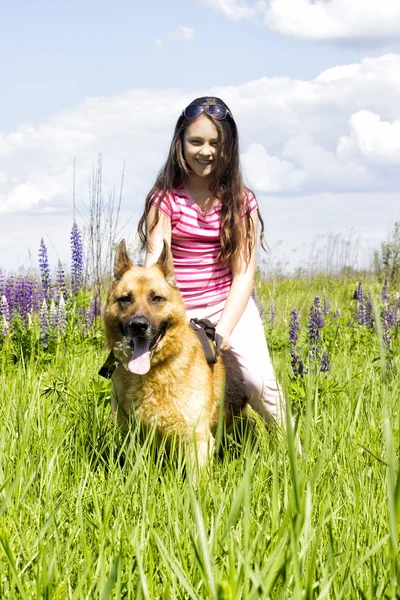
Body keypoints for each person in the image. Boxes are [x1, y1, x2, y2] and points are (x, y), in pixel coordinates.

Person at [137, 96, 287, 429]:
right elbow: (155, 267)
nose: (205, 151)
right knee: (164, 382)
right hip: (180, 307)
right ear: (180, 143)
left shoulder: (240, 200)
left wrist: (223, 330)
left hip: (228, 305)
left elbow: (243, 274)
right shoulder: (164, 199)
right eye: (196, 141)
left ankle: (297, 457)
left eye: (215, 143)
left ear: (228, 148)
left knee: (257, 382)